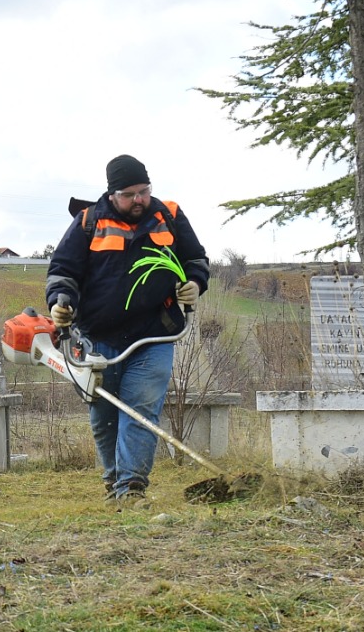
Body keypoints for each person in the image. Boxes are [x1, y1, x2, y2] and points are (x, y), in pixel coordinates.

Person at [46, 154, 210, 507]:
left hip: (155, 334)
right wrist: (61, 302)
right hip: (98, 338)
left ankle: (132, 489)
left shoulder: (170, 216)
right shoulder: (88, 222)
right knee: (104, 416)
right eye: (130, 194)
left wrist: (195, 283)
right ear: (112, 194)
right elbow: (63, 270)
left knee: (141, 408)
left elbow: (196, 260)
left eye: (144, 191)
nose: (140, 200)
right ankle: (113, 484)